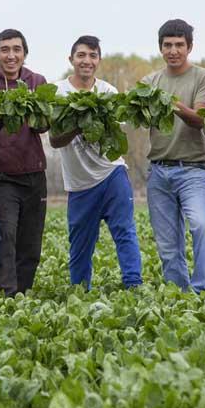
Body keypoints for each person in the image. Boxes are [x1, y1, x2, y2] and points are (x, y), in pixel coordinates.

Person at [49, 35, 143, 289]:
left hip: (112, 174)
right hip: (79, 184)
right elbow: (55, 141)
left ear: (98, 60)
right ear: (71, 59)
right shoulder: (58, 92)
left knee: (125, 232)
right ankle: (79, 291)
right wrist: (79, 125)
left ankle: (134, 285)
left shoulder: (108, 92)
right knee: (80, 244)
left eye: (92, 55)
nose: (86, 61)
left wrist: (95, 121)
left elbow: (114, 138)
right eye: (81, 55)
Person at [143, 19, 205, 293]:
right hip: (158, 170)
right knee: (166, 242)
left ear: (190, 47)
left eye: (179, 45)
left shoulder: (204, 77)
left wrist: (168, 102)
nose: (173, 50)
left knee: (201, 225)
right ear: (160, 48)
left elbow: (200, 118)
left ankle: (202, 290)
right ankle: (177, 291)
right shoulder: (149, 82)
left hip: (193, 169)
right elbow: (137, 115)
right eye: (167, 45)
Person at [0, 29, 48, 297]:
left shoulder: (37, 81)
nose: (11, 55)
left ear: (25, 54)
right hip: (1, 177)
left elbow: (44, 125)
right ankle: (5, 295)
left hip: (34, 175)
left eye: (17, 50)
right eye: (5, 50)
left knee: (31, 243)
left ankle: (22, 294)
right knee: (5, 239)